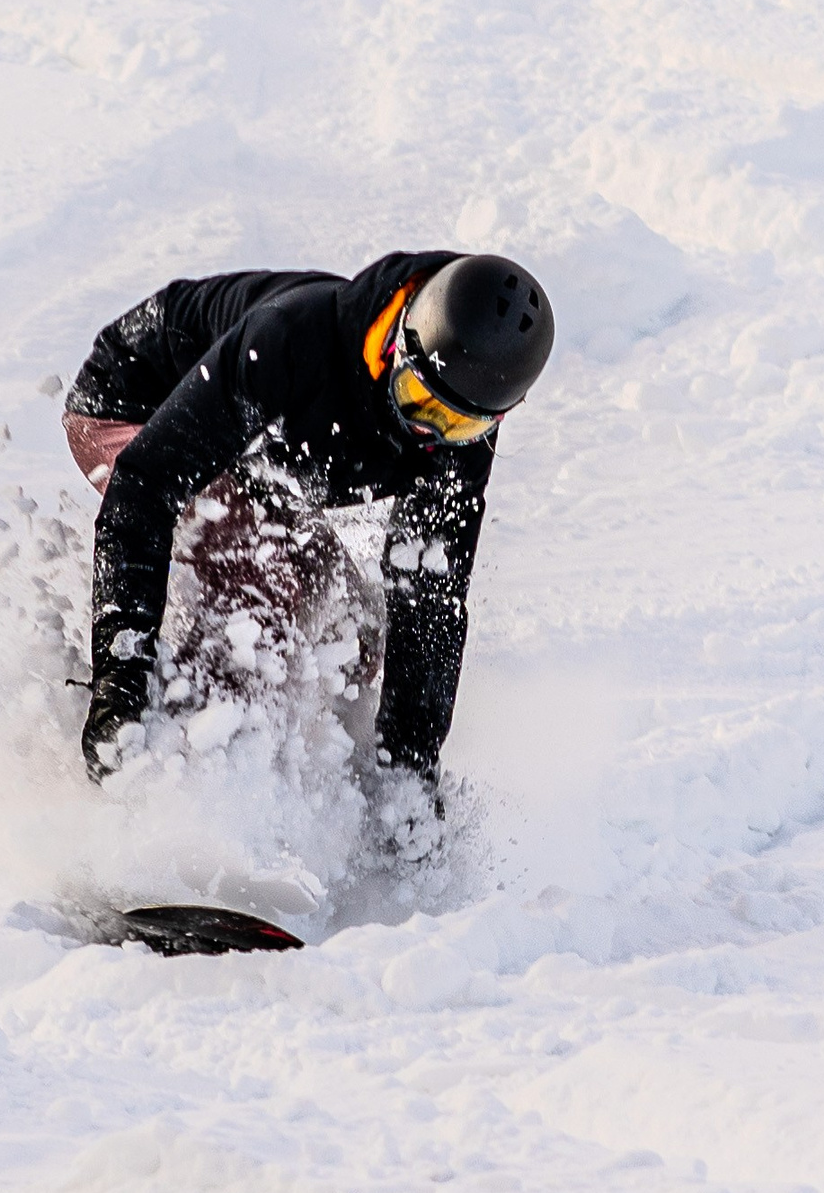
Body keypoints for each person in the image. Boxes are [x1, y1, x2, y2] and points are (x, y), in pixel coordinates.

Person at [62, 251, 555, 829]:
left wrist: (410, 780)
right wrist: (120, 678)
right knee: (268, 586)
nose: (426, 432)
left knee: (355, 633)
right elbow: (145, 487)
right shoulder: (294, 343)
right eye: (420, 403)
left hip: (248, 464)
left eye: (457, 425)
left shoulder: (451, 446)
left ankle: (319, 793)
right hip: (132, 405)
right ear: (400, 343)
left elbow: (430, 606)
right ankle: (172, 804)